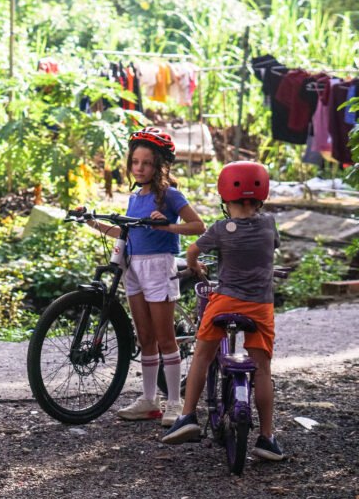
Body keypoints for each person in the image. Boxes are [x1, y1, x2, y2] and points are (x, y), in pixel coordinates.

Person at [162, 161, 284, 461]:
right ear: (261, 196)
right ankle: (267, 438)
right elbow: (273, 247)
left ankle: (188, 416)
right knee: (263, 369)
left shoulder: (220, 228)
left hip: (225, 301)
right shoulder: (269, 225)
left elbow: (192, 251)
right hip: (260, 306)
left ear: (225, 198)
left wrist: (195, 266)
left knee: (202, 355)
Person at [83, 127, 204, 426]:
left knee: (165, 338)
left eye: (146, 163)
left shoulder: (171, 196)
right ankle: (150, 401)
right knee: (145, 337)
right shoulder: (134, 197)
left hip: (158, 266)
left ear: (160, 165)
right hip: (133, 267)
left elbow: (198, 226)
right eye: (135, 162)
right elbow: (127, 231)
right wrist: (93, 223)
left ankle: (175, 403)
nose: (139, 168)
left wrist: (167, 227)